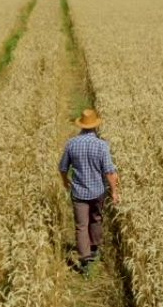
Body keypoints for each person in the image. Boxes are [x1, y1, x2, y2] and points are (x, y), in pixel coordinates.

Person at [59, 109, 121, 272]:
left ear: (81, 126)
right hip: (97, 192)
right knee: (96, 219)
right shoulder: (102, 146)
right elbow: (109, 171)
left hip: (79, 193)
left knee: (81, 225)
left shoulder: (72, 143)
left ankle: (85, 261)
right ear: (95, 127)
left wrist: (66, 182)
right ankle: (94, 249)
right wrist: (114, 191)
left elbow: (63, 167)